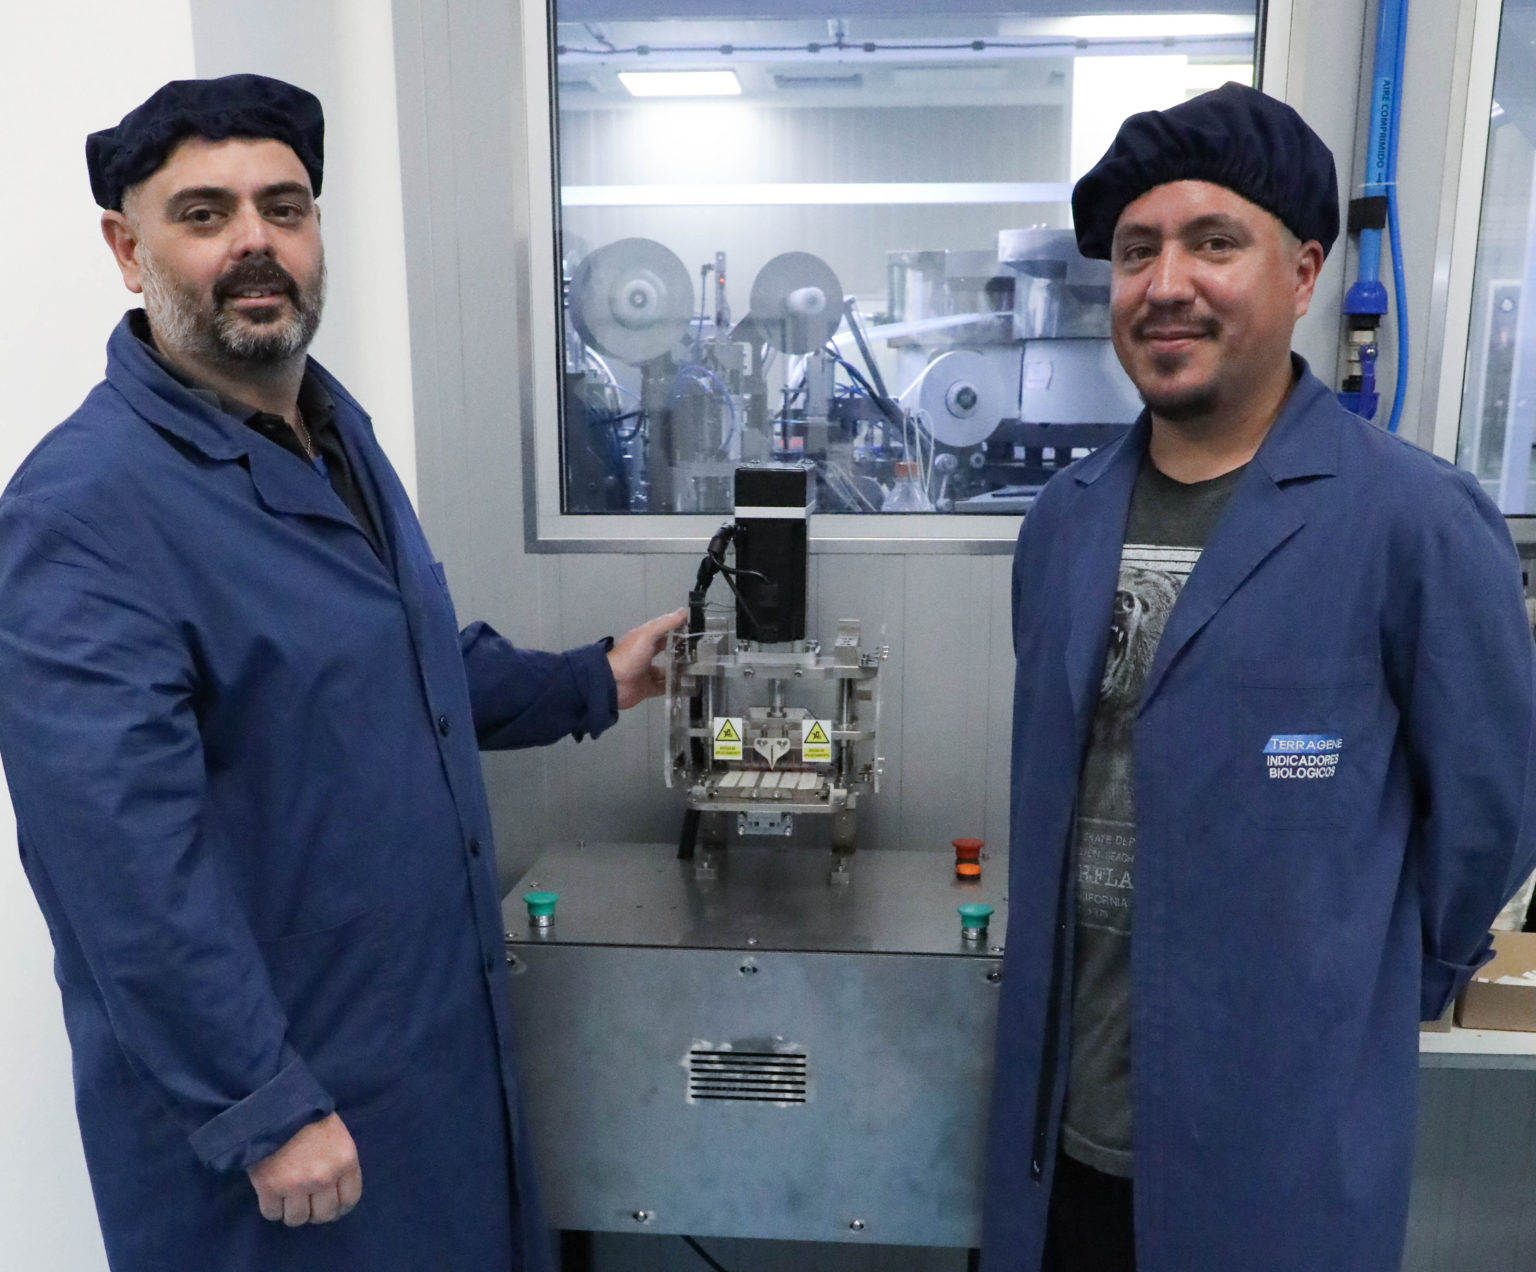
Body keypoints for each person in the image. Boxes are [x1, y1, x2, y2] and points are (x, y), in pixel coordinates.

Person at [0, 74, 682, 1272]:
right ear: (126, 249)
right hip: (278, 1138)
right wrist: (260, 1102)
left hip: (423, 1072)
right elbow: (120, 861)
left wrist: (593, 681)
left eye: (285, 207)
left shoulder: (329, 433)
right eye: (203, 213)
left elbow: (400, 661)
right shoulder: (85, 510)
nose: (255, 242)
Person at [980, 82, 1536, 1272]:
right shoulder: (1063, 523)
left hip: (1278, 1150)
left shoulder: (1414, 522)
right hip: (1062, 1146)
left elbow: (1488, 819)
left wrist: (1355, 989)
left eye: (1214, 241)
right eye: (1138, 251)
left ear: (1304, 272)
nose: (1165, 283)